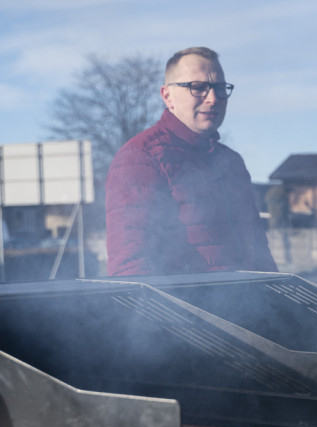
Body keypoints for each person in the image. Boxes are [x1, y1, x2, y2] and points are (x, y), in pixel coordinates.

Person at [105, 46, 277, 276]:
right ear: (167, 96)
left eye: (219, 88)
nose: (213, 98)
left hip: (247, 308)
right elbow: (131, 267)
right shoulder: (140, 158)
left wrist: (281, 306)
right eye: (197, 88)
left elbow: (260, 253)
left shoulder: (231, 162)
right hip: (182, 310)